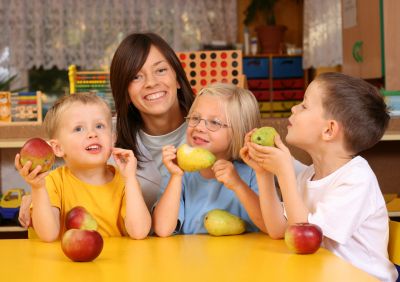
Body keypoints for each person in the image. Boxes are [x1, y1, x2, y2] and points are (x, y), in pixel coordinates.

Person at [18, 32, 195, 227]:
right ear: (125, 92)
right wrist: (38, 193)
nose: (151, 83)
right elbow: (76, 165)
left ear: (177, 78)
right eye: (136, 77)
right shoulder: (106, 131)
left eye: (160, 70)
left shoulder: (210, 127)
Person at [241, 72, 397, 282]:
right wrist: (264, 174)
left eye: (304, 106)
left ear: (329, 130)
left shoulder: (356, 179)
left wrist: (285, 173)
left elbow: (306, 241)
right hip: (320, 273)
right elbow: (278, 230)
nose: (294, 108)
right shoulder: (309, 175)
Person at [15, 93, 151, 241]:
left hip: (115, 263)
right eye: (79, 129)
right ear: (58, 148)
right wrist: (38, 188)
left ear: (112, 139)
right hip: (67, 263)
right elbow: (48, 235)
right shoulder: (52, 182)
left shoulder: (125, 182)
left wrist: (131, 179)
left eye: (99, 126)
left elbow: (139, 232)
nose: (92, 134)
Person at [152, 83, 267, 236]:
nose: (199, 127)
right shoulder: (178, 174)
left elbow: (269, 225)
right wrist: (176, 176)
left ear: (239, 131)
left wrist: (238, 185)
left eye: (214, 122)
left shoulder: (255, 172)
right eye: (195, 118)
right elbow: (162, 229)